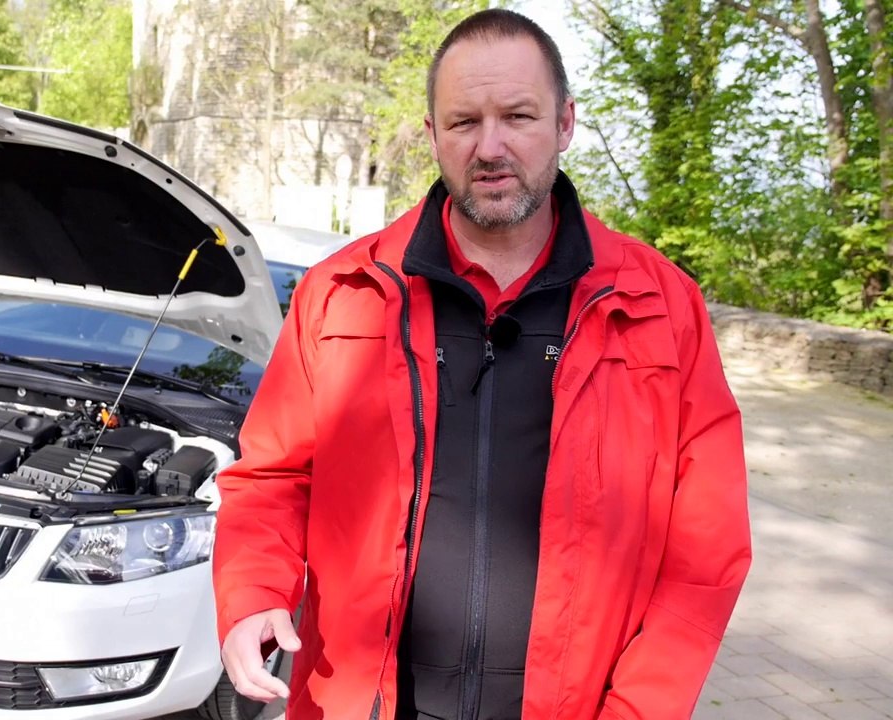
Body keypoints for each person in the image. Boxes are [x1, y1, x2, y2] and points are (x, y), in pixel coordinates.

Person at [211, 8, 752, 720]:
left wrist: (643, 706)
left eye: (518, 116)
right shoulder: (342, 293)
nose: (490, 146)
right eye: (464, 122)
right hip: (362, 701)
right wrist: (252, 596)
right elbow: (273, 476)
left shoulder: (659, 307)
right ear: (433, 135)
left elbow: (706, 546)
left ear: (565, 124)